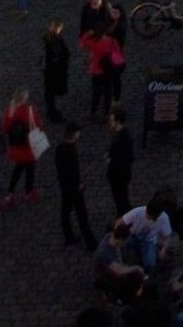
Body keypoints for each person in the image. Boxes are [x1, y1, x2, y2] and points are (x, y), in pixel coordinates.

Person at [54, 120, 94, 250]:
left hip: (65, 187)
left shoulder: (60, 148)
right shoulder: (71, 152)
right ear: (75, 134)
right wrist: (79, 185)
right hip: (74, 188)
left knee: (65, 211)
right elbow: (73, 173)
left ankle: (69, 236)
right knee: (82, 214)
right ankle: (90, 242)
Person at [1, 89, 42, 204]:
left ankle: (10, 193)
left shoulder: (10, 110)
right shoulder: (29, 110)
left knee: (18, 169)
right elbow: (37, 125)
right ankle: (28, 192)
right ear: (24, 98)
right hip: (29, 146)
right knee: (30, 169)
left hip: (17, 146)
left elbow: (5, 128)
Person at [92, 222, 147, 303]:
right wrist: (136, 268)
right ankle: (115, 297)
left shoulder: (111, 237)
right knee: (125, 279)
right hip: (102, 277)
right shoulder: (104, 253)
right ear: (121, 239)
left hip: (112, 268)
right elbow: (118, 271)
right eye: (125, 241)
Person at [105, 108, 134, 219]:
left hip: (119, 175)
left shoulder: (124, 138)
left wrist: (111, 160)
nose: (109, 123)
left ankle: (125, 219)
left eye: (111, 120)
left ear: (117, 122)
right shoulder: (118, 134)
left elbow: (128, 158)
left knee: (121, 199)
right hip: (117, 174)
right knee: (120, 199)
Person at [42, 18, 71, 120]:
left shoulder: (50, 38)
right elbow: (58, 53)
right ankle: (51, 111)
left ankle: (51, 110)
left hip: (50, 69)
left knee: (49, 91)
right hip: (54, 70)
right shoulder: (55, 39)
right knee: (50, 91)